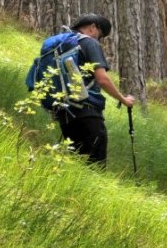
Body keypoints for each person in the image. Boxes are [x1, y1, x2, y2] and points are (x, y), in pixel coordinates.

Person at [44, 14, 135, 166]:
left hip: (64, 111)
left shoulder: (61, 44)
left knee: (76, 162)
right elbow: (102, 79)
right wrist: (123, 100)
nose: (99, 40)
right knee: (96, 163)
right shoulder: (89, 43)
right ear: (93, 27)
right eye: (101, 36)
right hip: (86, 110)